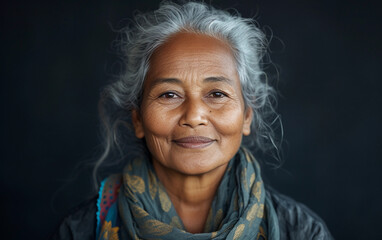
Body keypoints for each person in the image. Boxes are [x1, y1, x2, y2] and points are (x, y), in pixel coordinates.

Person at [52, 1, 333, 239]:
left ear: (247, 116)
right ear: (137, 119)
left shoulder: (300, 231)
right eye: (169, 94)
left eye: (217, 93)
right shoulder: (82, 231)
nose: (194, 115)